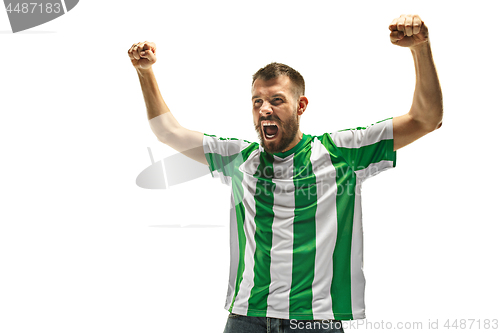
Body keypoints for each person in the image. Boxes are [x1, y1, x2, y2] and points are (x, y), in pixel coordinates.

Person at [128, 14, 442, 333]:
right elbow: (168, 132)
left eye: (277, 100)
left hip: (315, 320)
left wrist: (420, 48)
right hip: (246, 316)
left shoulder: (342, 152)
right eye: (258, 101)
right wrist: (145, 72)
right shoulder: (239, 158)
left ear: (300, 106)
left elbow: (426, 119)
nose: (265, 109)